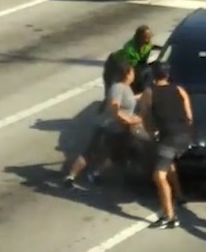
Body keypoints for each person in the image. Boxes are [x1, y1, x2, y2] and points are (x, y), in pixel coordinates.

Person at [61, 55, 144, 190]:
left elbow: (129, 100)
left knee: (112, 155)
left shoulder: (126, 88)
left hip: (120, 131)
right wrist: (128, 119)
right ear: (128, 73)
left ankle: (95, 173)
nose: (134, 74)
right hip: (108, 128)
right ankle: (71, 177)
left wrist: (143, 95)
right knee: (90, 153)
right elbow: (114, 106)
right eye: (133, 71)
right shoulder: (117, 87)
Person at [135, 63, 192, 229]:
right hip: (185, 136)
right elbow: (189, 116)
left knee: (159, 176)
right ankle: (180, 195)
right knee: (169, 163)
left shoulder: (149, 92)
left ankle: (169, 217)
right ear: (167, 75)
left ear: (153, 76)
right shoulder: (179, 90)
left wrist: (150, 131)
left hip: (168, 138)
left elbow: (143, 115)